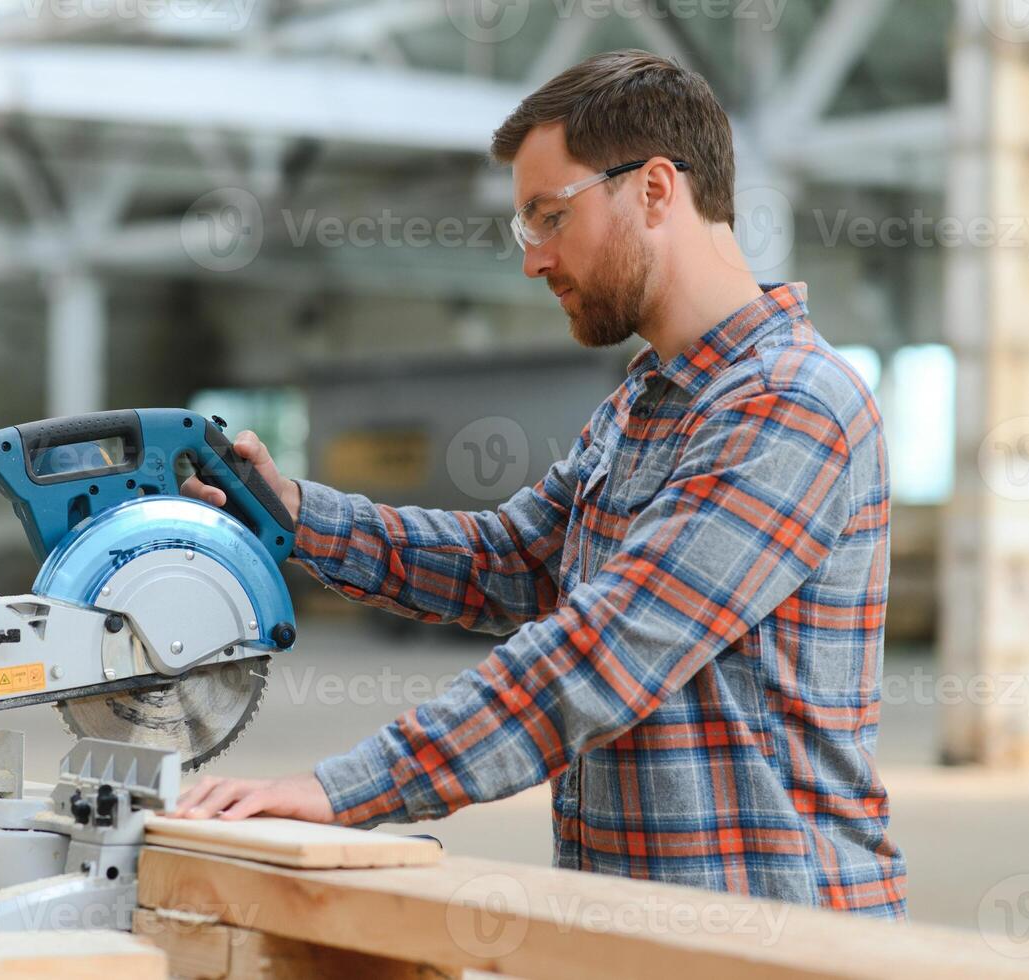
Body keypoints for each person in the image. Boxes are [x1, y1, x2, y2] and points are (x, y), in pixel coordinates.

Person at [173, 49, 906, 918]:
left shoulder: (791, 404)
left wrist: (345, 789)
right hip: (637, 926)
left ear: (655, 189)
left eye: (548, 218)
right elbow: (510, 561)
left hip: (775, 934)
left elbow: (611, 646)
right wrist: (293, 514)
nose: (533, 260)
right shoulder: (643, 401)